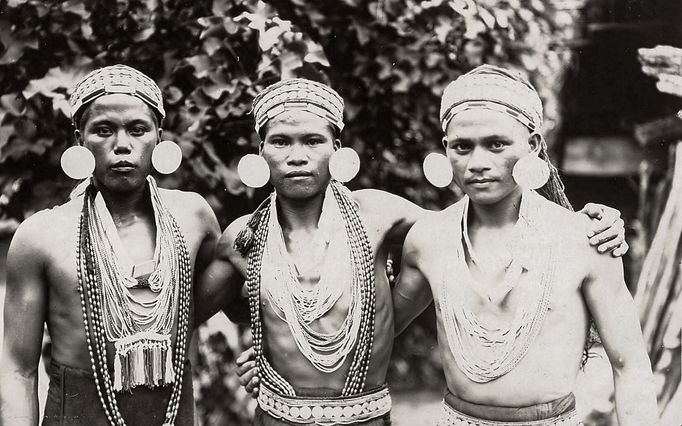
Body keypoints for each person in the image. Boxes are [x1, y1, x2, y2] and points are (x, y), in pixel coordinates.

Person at [206, 78, 630, 425]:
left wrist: (594, 223)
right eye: (280, 141)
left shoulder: (379, 214)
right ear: (260, 151)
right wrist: (269, 350)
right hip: (277, 415)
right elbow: (194, 311)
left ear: (337, 150)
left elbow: (468, 232)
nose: (297, 156)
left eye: (313, 140)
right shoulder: (243, 237)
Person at [393, 65, 658, 425]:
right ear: (446, 150)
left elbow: (630, 365)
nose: (478, 163)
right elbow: (375, 330)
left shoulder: (584, 239)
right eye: (462, 147)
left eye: (496, 144)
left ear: (533, 145)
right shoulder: (429, 239)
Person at [0, 65, 228, 425]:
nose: (122, 145)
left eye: (137, 130)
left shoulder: (193, 217)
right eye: (103, 130)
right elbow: (16, 369)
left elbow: (234, 299)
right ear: (80, 140)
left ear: (158, 137)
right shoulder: (41, 235)